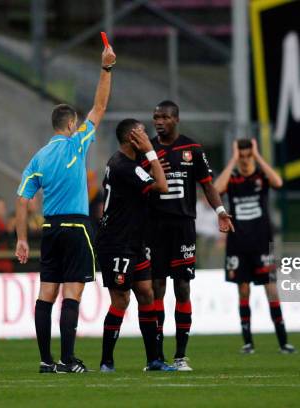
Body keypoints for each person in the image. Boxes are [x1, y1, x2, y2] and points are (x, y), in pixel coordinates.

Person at [14, 43, 115, 374]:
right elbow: (99, 107)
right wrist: (106, 68)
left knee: (45, 295)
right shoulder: (77, 143)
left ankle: (46, 361)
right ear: (71, 124)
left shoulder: (38, 157)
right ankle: (69, 360)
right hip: (76, 227)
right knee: (72, 294)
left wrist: (21, 239)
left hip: (49, 229)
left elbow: (21, 199)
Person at [144, 100, 234, 371]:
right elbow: (135, 184)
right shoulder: (147, 149)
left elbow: (207, 185)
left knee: (182, 287)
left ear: (176, 120)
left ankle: (181, 355)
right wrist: (148, 172)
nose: (159, 121)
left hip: (183, 226)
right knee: (156, 287)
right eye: (156, 117)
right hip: (155, 227)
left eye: (164, 117)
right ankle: (156, 357)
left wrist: (220, 211)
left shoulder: (192, 149)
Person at [96, 119, 175, 372]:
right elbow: (162, 186)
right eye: (141, 133)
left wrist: (150, 166)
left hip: (134, 240)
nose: (147, 137)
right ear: (132, 138)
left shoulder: (127, 164)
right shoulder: (123, 166)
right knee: (121, 300)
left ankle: (154, 360)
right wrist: (151, 157)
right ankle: (106, 361)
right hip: (116, 242)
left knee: (146, 292)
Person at [214, 139, 295, 354]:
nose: (245, 159)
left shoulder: (261, 176)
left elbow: (278, 182)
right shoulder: (232, 178)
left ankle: (283, 342)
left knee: (271, 291)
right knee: (243, 291)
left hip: (261, 244)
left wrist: (258, 156)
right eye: (242, 155)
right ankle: (248, 342)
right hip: (238, 244)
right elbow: (216, 189)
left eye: (248, 155)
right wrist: (232, 160)